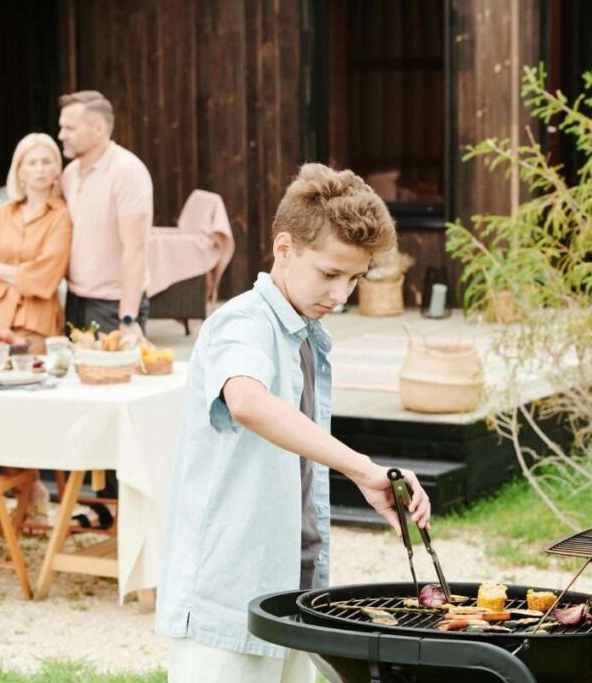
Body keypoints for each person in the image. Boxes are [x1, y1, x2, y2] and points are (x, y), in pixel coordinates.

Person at [155, 164, 432, 682]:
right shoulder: (243, 323)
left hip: (291, 586)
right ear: (284, 248)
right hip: (229, 596)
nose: (342, 293)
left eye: (355, 277)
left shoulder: (304, 333)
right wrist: (362, 468)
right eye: (329, 273)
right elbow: (248, 402)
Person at [58, 90, 153, 345]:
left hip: (114, 305)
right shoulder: (69, 173)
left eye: (70, 128)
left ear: (98, 129)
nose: (61, 135)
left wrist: (128, 320)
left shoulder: (127, 172)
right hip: (76, 298)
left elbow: (135, 250)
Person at [0, 133, 72, 356]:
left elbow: (45, 278)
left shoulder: (61, 216)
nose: (40, 169)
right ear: (20, 172)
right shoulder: (5, 212)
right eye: (32, 163)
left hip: (36, 323)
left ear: (57, 171)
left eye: (47, 162)